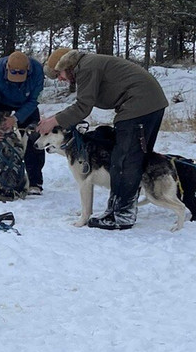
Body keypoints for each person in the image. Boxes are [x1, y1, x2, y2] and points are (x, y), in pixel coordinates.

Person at [39, 48, 169, 230]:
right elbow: (84, 103)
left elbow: (83, 106)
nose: (60, 79)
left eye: (58, 74)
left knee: (125, 159)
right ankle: (118, 209)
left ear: (67, 65)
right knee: (126, 157)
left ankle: (122, 215)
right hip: (144, 104)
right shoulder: (86, 64)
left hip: (140, 105)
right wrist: (57, 119)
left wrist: (54, 121)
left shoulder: (86, 68)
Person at [0, 50, 46, 198]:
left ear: (28, 70)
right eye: (13, 74)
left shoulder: (38, 70)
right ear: (7, 68)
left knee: (34, 137)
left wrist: (16, 118)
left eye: (21, 75)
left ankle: (35, 182)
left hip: (26, 104)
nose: (17, 78)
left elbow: (34, 100)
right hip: (0, 103)